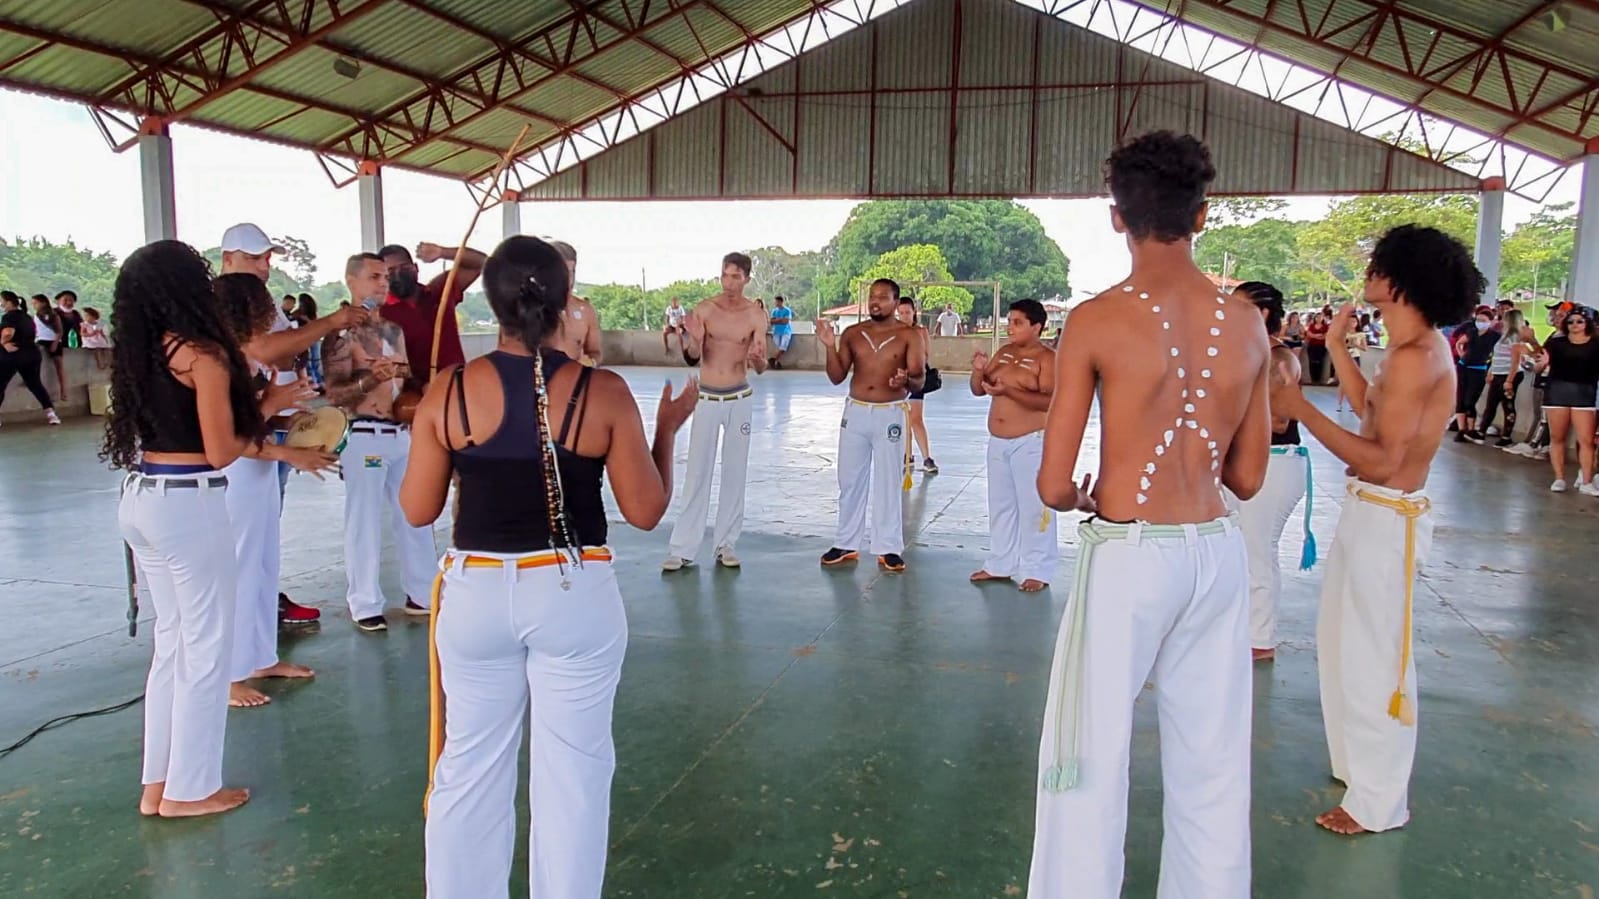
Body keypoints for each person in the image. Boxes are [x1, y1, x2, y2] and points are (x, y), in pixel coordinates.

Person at [401, 236, 696, 899]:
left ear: (492, 303)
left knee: (469, 767)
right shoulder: (602, 391)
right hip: (572, 593)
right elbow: (645, 511)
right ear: (567, 302)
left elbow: (417, 509)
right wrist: (666, 431)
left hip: (476, 595)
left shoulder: (448, 389)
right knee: (573, 775)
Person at [1029, 131, 1269, 898]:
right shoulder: (1246, 321)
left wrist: (1080, 497)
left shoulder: (1097, 319)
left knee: (1085, 752)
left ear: (1115, 217)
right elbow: (1248, 476)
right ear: (1202, 214)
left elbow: (1053, 483)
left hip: (1129, 553)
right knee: (1212, 759)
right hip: (1214, 551)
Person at [1276, 224, 1484, 836]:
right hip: (1370, 510)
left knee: (1374, 657)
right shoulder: (1409, 350)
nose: (1367, 275)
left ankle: (1379, 802)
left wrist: (1300, 409)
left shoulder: (1419, 356)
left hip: (1387, 511)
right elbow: (1373, 407)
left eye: (1376, 267)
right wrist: (1336, 346)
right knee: (1343, 642)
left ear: (1399, 280)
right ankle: (1358, 771)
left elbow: (1383, 459)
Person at [102, 240, 261, 818]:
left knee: (172, 645)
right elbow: (221, 451)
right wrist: (265, 416)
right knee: (206, 648)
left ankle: (159, 784)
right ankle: (191, 790)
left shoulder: (139, 351)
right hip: (189, 505)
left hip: (142, 498)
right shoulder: (201, 355)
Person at [221, 222, 368, 626]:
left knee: (263, 539)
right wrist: (330, 323)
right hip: (247, 441)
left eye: (266, 258)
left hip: (268, 426)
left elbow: (283, 357)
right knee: (243, 546)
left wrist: (290, 417)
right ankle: (243, 636)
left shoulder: (262, 302)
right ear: (227, 259)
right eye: (253, 258)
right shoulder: (225, 307)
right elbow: (267, 352)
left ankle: (262, 621)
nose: (263, 266)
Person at [211, 274, 334, 707]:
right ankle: (228, 675)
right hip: (237, 472)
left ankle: (260, 656)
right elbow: (230, 436)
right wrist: (284, 440)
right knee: (240, 570)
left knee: (264, 565)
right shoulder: (219, 362)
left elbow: (260, 418)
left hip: (259, 470)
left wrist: (293, 422)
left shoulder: (250, 361)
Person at [325, 253, 439, 631]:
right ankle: (364, 601)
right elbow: (335, 394)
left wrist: (416, 387)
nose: (382, 283)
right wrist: (371, 379)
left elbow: (406, 378)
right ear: (352, 280)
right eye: (373, 276)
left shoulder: (393, 331)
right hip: (363, 434)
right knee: (364, 520)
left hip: (400, 432)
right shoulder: (340, 335)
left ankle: (423, 592)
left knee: (414, 513)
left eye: (385, 277)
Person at [662, 253, 768, 571]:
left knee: (735, 472)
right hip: (707, 396)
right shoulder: (706, 309)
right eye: (725, 275)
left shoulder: (755, 315)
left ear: (747, 279)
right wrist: (694, 340)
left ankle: (726, 545)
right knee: (697, 472)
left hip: (739, 397)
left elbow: (762, 364)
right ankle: (682, 549)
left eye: (736, 276)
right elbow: (692, 356)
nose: (729, 282)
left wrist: (758, 358)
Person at [815, 278, 926, 573]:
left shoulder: (909, 335)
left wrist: (906, 380)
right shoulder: (853, 333)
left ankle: (888, 547)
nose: (875, 302)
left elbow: (919, 379)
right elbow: (836, 377)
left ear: (896, 302)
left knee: (888, 480)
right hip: (856, 412)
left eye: (883, 297)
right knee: (849, 479)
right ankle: (845, 543)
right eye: (872, 296)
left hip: (890, 414)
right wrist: (829, 346)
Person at [1230, 281, 1314, 663]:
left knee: (1256, 548)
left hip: (1274, 460)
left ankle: (1259, 638)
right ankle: (1241, 629)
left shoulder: (1279, 359)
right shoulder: (1249, 353)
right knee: (1236, 547)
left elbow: (1279, 420)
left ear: (1261, 314)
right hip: (1251, 458)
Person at [968, 299, 1057, 593]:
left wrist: (1010, 391)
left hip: (1031, 441)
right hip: (998, 442)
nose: (1010, 328)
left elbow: (1051, 402)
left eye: (1018, 323)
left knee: (1033, 507)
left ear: (1037, 327)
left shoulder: (1048, 359)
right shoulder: (1004, 353)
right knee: (1001, 505)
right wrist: (979, 371)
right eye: (1010, 322)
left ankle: (1037, 569)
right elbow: (979, 389)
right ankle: (1000, 564)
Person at [378, 241, 485, 378]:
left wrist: (442, 252)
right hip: (415, 389)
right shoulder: (381, 313)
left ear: (416, 268)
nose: (399, 274)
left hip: (455, 383)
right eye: (391, 271)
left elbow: (480, 262)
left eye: (404, 267)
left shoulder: (439, 290)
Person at [1534, 304, 1599, 494]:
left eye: (1579, 321)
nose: (1575, 325)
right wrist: (1541, 363)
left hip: (1585, 394)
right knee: (1557, 437)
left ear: (1587, 323)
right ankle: (1559, 478)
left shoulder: (1596, 344)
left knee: (1586, 440)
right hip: (1557, 392)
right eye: (1570, 322)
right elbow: (1538, 367)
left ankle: (1586, 481)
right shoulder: (1556, 344)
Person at [0, 291, 61, 425]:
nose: (1, 304)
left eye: (2, 301)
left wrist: (3, 343)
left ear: (9, 302)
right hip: (32, 354)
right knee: (35, 384)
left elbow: (8, 333)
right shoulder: (27, 316)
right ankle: (51, 414)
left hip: (13, 354)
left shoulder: (9, 316)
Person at [895, 296, 938, 475]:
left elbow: (925, 355)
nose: (905, 316)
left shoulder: (921, 331)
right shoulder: (894, 332)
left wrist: (910, 368)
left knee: (916, 419)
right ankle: (907, 454)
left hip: (915, 378)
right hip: (899, 379)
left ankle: (927, 457)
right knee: (903, 419)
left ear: (914, 313)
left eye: (908, 312)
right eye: (901, 313)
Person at [1480, 309, 1533, 447]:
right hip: (1499, 373)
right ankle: (1481, 431)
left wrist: (1509, 380)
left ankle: (1506, 436)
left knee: (1508, 404)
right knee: (1491, 404)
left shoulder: (1515, 338)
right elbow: (1496, 356)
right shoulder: (1503, 336)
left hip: (1510, 374)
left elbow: (1515, 361)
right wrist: (1491, 371)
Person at [548, 240, 602, 366]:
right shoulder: (531, 309)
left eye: (572, 271)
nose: (569, 279)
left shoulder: (586, 310)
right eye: (562, 272)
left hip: (575, 376)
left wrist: (590, 362)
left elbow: (596, 352)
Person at [1451, 305, 1499, 443]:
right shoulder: (1471, 332)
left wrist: (1491, 368)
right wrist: (1462, 354)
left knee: (1470, 400)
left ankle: (1471, 428)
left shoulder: (1495, 336)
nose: (1480, 323)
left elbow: (1497, 353)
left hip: (1478, 369)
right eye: (1478, 320)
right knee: (1460, 399)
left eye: (1483, 320)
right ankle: (1461, 429)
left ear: (1490, 322)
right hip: (1464, 367)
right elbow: (1459, 343)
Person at [32, 294, 67, 403]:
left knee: (59, 367)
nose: (34, 305)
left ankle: (63, 391)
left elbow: (59, 331)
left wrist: (55, 343)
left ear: (43, 303)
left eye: (36, 303)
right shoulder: (36, 315)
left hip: (52, 340)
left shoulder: (53, 315)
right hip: (41, 340)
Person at [769, 295, 794, 369]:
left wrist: (776, 320)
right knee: (779, 348)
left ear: (781, 302)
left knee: (783, 347)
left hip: (786, 331)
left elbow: (786, 321)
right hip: (776, 332)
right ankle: (776, 362)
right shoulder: (774, 311)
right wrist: (780, 319)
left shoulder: (787, 310)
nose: (776, 303)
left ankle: (774, 359)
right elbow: (771, 321)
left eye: (777, 302)